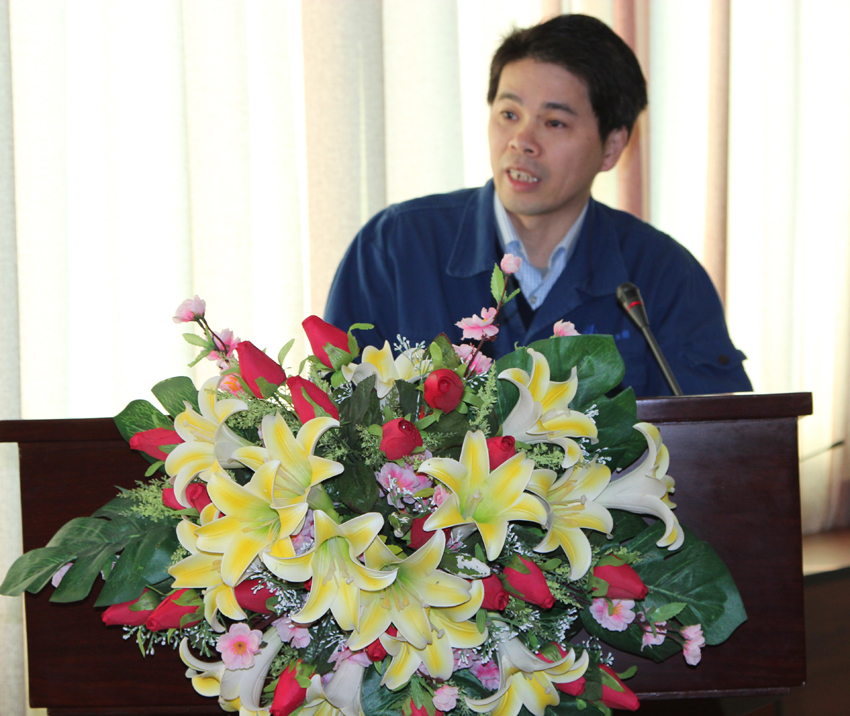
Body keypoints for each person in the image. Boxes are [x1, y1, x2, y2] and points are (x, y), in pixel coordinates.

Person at [324, 14, 751, 397]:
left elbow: (721, 443)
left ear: (612, 146)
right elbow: (332, 419)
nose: (522, 141)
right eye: (509, 114)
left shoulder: (664, 276)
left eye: (554, 122)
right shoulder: (395, 249)